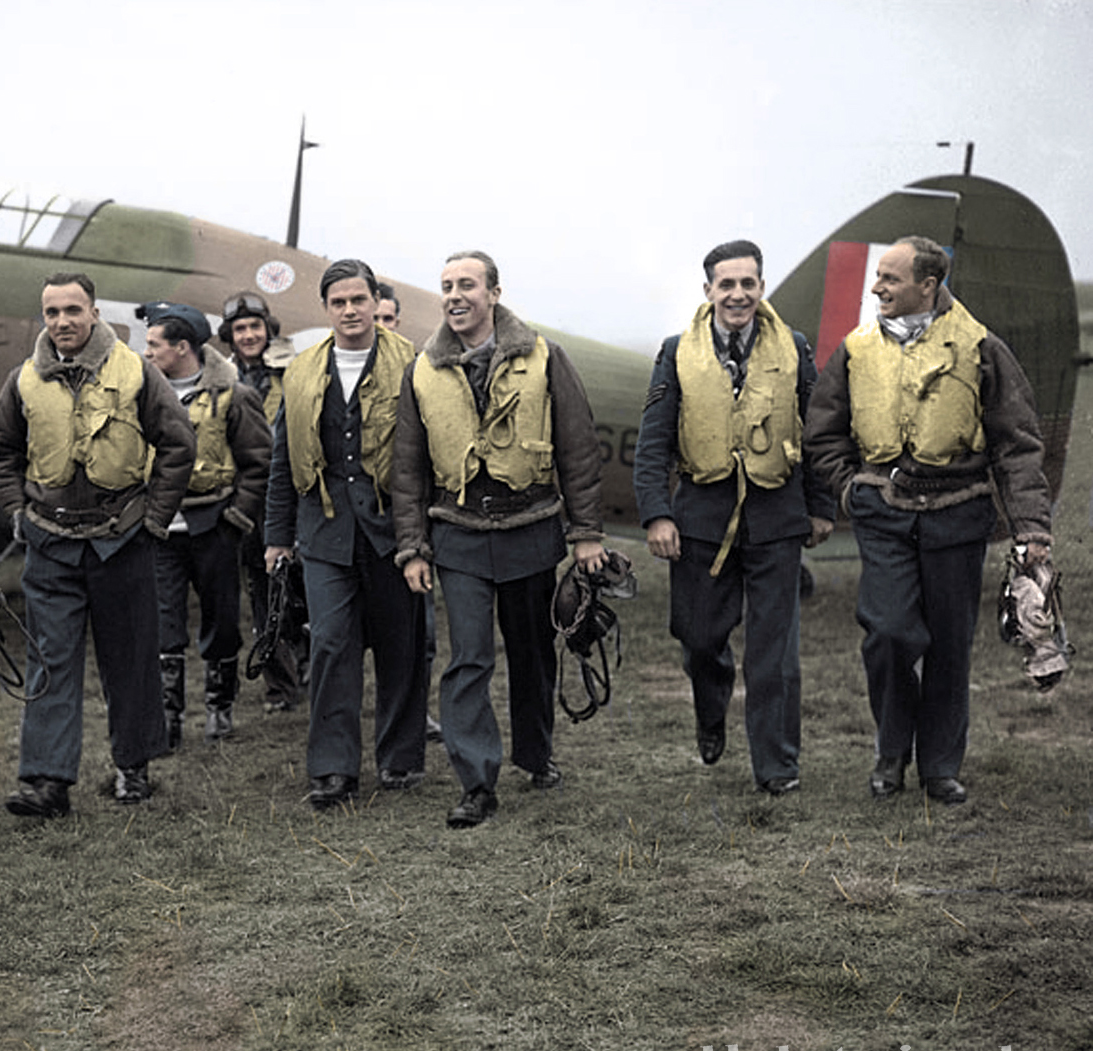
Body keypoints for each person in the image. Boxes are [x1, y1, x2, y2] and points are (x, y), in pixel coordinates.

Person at [804, 236, 1052, 805]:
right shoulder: (857, 348)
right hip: (883, 515)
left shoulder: (981, 347)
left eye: (890, 278)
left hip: (957, 515)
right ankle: (891, 752)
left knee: (948, 645)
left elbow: (1017, 444)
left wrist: (1032, 528)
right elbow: (823, 431)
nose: (876, 287)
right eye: (878, 277)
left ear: (928, 285)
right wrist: (851, 489)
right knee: (888, 633)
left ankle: (939, 765)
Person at [394, 251, 607, 828]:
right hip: (458, 536)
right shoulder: (422, 369)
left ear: (494, 292)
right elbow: (407, 469)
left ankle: (537, 755)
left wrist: (586, 534)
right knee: (468, 660)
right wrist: (413, 545)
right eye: (446, 286)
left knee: (534, 654)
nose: (455, 295)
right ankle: (476, 783)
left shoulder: (544, 358)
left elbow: (578, 449)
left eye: (467, 284)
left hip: (531, 529)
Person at [0, 273, 195, 817]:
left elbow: (177, 444)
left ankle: (133, 768)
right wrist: (17, 513)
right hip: (50, 543)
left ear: (94, 312)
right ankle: (46, 782)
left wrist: (154, 520)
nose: (62, 322)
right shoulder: (25, 379)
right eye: (51, 312)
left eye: (73, 310)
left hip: (121, 539)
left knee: (130, 659)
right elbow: (0, 452)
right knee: (49, 662)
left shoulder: (136, 372)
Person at [633, 240, 835, 795]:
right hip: (701, 518)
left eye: (748, 283)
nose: (738, 294)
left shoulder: (792, 348)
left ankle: (777, 769)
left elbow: (815, 432)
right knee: (699, 640)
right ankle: (710, 707)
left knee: (775, 656)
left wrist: (820, 506)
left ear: (761, 288)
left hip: (776, 519)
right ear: (709, 291)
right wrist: (656, 515)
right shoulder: (676, 351)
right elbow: (653, 443)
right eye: (727, 284)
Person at [265, 259, 428, 809]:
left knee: (402, 648)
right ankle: (332, 770)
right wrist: (277, 536)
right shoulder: (303, 370)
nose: (351, 310)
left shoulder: (414, 364)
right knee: (332, 645)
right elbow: (283, 460)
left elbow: (430, 454)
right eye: (339, 302)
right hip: (325, 532)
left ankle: (401, 760)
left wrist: (423, 536)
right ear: (327, 308)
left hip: (395, 534)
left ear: (375, 301)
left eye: (359, 299)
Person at [139, 300, 271, 747]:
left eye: (154, 343)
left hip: (214, 525)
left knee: (221, 618)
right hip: (159, 529)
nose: (146, 351)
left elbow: (258, 463)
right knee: (162, 622)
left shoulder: (234, 395)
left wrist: (236, 518)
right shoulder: (141, 393)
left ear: (182, 347)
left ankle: (220, 708)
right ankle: (168, 716)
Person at [220, 290, 305, 712]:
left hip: (292, 493)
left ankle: (308, 663)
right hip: (250, 497)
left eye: (255, 327)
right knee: (262, 591)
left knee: (302, 588)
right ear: (229, 336)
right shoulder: (222, 379)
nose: (249, 335)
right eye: (240, 329)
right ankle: (280, 687)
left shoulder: (291, 373)